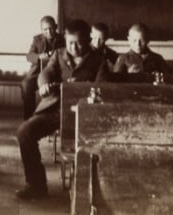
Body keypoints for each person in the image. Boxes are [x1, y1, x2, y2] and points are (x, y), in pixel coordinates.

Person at [16, 19, 107, 200]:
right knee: (24, 132)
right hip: (56, 108)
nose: (74, 48)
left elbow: (103, 85)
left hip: (85, 112)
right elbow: (46, 72)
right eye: (70, 43)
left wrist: (83, 88)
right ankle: (36, 184)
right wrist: (44, 84)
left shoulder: (98, 59)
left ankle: (89, 190)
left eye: (79, 43)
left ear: (88, 40)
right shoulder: (59, 54)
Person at [22, 16, 65, 120]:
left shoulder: (63, 39)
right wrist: (39, 57)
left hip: (56, 72)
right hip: (37, 72)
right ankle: (29, 118)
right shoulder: (37, 39)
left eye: (51, 28)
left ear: (56, 27)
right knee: (26, 85)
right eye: (45, 29)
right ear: (41, 30)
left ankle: (56, 117)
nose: (49, 32)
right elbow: (29, 57)